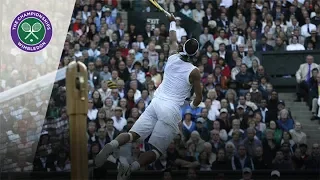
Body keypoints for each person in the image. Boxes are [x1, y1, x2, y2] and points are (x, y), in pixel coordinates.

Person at [94, 13, 202, 180]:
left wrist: (172, 22)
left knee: (133, 134)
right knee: (157, 151)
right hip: (171, 110)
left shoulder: (173, 55)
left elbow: (172, 39)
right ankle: (129, 169)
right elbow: (198, 98)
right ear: (196, 54)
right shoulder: (194, 71)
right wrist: (193, 106)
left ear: (184, 46)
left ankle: (111, 145)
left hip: (156, 102)